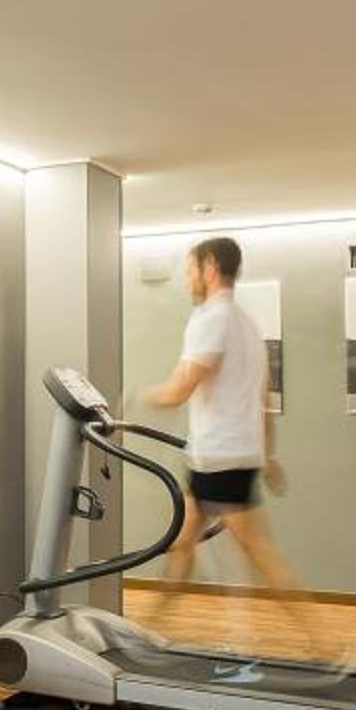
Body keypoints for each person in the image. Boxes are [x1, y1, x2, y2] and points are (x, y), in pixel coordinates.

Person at [139, 236, 309, 603]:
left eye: (190, 270)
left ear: (211, 267)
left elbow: (179, 391)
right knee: (182, 544)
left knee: (259, 552)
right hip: (222, 457)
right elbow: (262, 400)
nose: (187, 280)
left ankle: (321, 636)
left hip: (220, 459)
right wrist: (266, 455)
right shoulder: (246, 324)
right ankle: (152, 625)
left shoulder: (210, 319)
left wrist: (136, 398)